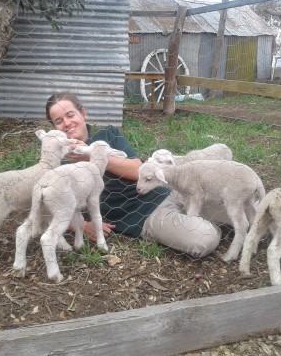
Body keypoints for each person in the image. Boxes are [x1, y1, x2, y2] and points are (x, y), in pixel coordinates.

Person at [46, 92, 222, 258]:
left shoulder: (108, 134)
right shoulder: (59, 165)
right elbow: (49, 208)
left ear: (83, 113)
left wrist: (92, 155)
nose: (67, 123)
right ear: (54, 128)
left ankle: (206, 218)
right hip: (144, 216)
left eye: (70, 115)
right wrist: (82, 226)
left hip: (170, 189)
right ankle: (207, 224)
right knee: (204, 239)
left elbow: (136, 169)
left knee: (234, 205)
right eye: (59, 121)